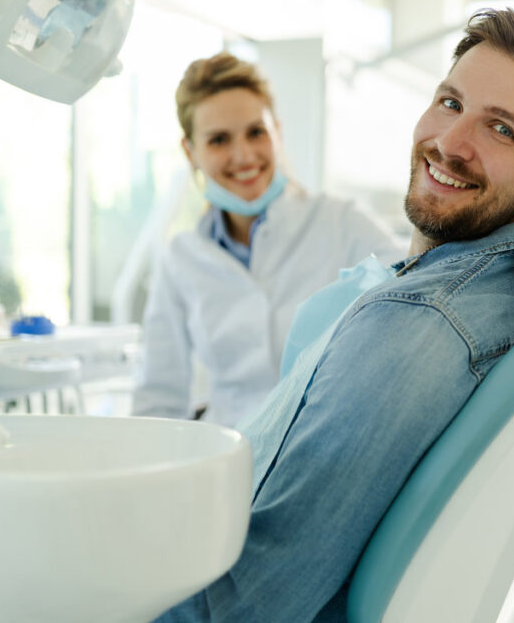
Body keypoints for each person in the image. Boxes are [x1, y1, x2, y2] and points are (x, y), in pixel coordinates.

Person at [155, 7, 514, 622]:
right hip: (225, 485)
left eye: (501, 129)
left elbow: (246, 602)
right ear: (191, 152)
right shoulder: (483, 297)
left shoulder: (420, 317)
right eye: (450, 103)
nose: (451, 143)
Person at [132, 52, 401, 427]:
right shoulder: (180, 259)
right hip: (226, 456)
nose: (243, 155)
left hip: (323, 440)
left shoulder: (342, 222)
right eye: (219, 140)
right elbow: (158, 399)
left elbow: (416, 288)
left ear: (278, 131)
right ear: (190, 152)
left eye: (255, 132)